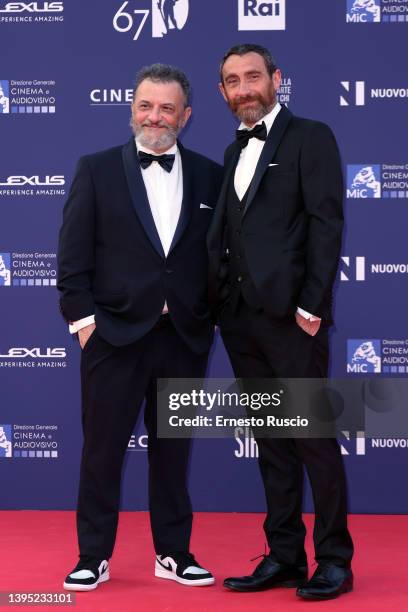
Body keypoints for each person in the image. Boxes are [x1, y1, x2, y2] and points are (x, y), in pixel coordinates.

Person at [58, 63, 222, 591]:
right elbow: (72, 259)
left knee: (173, 452)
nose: (156, 116)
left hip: (182, 340)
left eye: (167, 108)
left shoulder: (208, 175)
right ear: (132, 109)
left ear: (186, 115)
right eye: (146, 106)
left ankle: (173, 552)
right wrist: (86, 324)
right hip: (113, 337)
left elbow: (217, 258)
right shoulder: (96, 169)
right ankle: (92, 555)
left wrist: (206, 318)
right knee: (101, 450)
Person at [208, 44, 354, 601]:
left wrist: (312, 306)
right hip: (242, 323)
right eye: (232, 81)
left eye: (253, 77)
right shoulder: (230, 152)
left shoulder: (311, 136)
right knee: (271, 442)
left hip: (295, 321)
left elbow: (326, 224)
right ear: (222, 92)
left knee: (313, 440)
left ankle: (335, 559)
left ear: (276, 79)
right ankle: (285, 554)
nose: (244, 88)